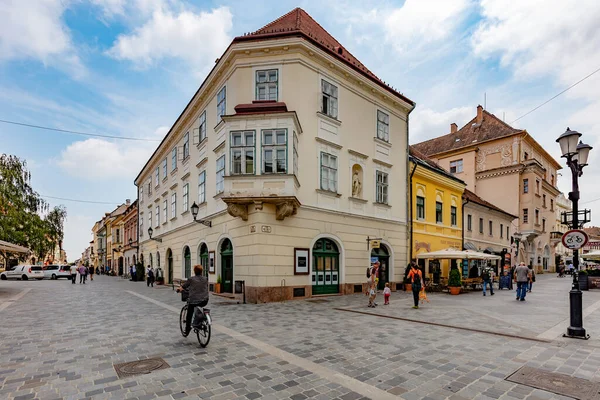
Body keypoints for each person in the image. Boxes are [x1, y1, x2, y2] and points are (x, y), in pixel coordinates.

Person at [176, 265, 209, 337]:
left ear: (194, 271)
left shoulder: (191, 279)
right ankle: (200, 321)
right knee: (199, 308)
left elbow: (184, 286)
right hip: (205, 300)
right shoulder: (205, 279)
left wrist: (179, 289)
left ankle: (187, 330)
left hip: (194, 301)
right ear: (201, 271)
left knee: (189, 314)